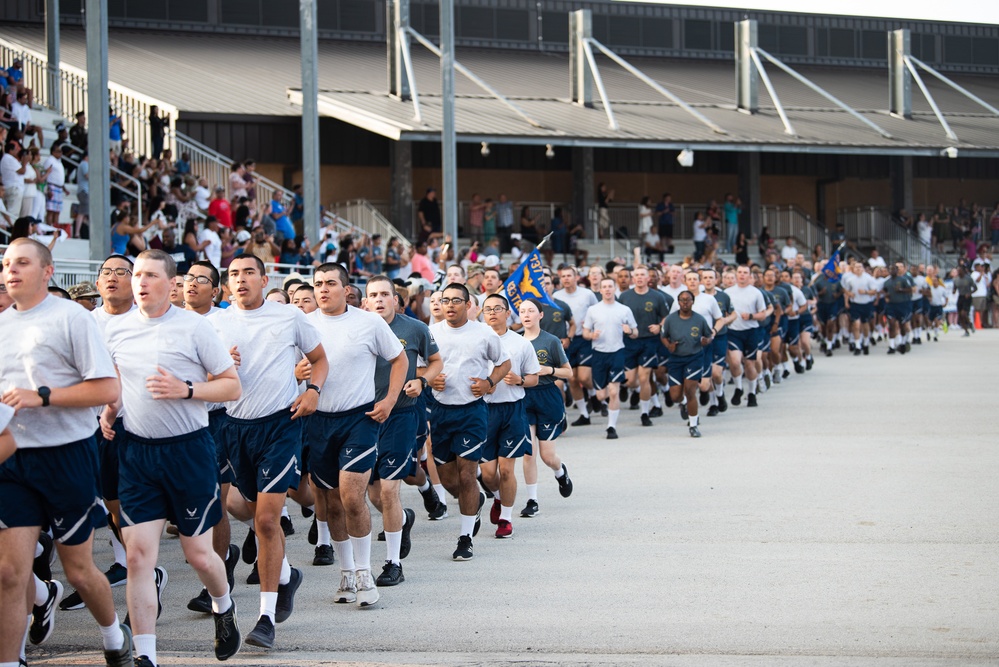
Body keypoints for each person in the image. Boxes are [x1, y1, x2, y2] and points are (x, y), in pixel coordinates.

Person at [102, 250, 242, 666]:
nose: (140, 282)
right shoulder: (116, 329)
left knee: (198, 554)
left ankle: (223, 604)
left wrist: (186, 390)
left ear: (172, 283)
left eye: (149, 276)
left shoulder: (195, 328)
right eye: (136, 275)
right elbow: (117, 381)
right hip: (137, 453)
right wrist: (110, 413)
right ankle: (146, 655)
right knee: (137, 556)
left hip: (189, 450)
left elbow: (231, 387)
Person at [0, 238, 133, 667]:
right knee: (8, 572)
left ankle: (114, 637)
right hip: (13, 458)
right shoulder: (1, 326)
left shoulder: (72, 317)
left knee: (78, 570)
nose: (11, 271)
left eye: (22, 262)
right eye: (6, 264)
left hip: (67, 455)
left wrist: (42, 397)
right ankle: (10, 659)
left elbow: (107, 389)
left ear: (47, 270)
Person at [208, 254, 329, 649]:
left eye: (248, 273)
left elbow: (319, 360)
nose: (240, 280)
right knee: (238, 507)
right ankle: (287, 573)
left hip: (280, 425)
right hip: (232, 427)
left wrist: (313, 391)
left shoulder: (288, 316)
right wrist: (212, 372)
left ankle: (264, 617)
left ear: (263, 279)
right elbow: (196, 375)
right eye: (233, 275)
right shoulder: (215, 322)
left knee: (265, 520)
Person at [298, 264, 406, 607]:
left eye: (331, 283)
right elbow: (290, 368)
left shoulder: (368, 322)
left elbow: (400, 360)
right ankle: (346, 573)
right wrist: (297, 371)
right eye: (318, 284)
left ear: (347, 289)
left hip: (359, 419)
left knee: (351, 496)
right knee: (328, 502)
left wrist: (389, 400)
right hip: (317, 420)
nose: (323, 289)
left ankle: (364, 571)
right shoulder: (303, 324)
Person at [364, 276, 443, 584]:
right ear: (366, 301)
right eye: (374, 295)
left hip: (400, 415)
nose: (380, 299)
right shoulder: (357, 326)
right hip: (363, 418)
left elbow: (436, 361)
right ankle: (403, 519)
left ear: (396, 300)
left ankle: (393, 563)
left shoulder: (414, 329)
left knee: (388, 488)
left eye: (386, 294)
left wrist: (422, 380)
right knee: (372, 494)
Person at [428, 283, 510, 560]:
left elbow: (504, 363)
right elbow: (416, 365)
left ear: (467, 305)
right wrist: (429, 377)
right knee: (449, 480)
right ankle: (475, 502)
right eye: (445, 300)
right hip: (440, 412)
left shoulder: (483, 333)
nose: (449, 305)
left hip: (472, 411)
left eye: (456, 300)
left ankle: (465, 538)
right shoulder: (431, 332)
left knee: (466, 474)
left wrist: (489, 382)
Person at [480, 293, 540, 539]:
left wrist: (520, 380)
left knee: (506, 470)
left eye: (497, 308)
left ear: (507, 313)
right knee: (487, 473)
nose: (492, 312)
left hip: (512, 410)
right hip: (483, 410)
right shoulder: (477, 340)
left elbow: (534, 378)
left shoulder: (521, 343)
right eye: (488, 309)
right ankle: (497, 497)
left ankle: (505, 517)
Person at [517, 298, 573, 518]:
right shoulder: (515, 341)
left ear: (540, 315)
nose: (527, 314)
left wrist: (548, 370)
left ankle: (560, 471)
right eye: (522, 311)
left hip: (547, 396)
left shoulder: (550, 341)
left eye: (531, 310)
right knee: (528, 454)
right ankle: (532, 500)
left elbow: (568, 372)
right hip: (523, 397)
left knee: (547, 456)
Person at [583, 277, 639, 440]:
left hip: (617, 352)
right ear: (600, 290)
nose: (607, 289)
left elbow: (636, 333)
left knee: (614, 391)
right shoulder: (593, 310)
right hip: (599, 353)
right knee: (601, 395)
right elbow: (585, 332)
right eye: (604, 287)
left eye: (610, 286)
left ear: (615, 289)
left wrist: (629, 331)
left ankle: (611, 427)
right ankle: (603, 403)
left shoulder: (624, 309)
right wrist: (590, 335)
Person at [618, 265, 671, 427]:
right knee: (631, 381)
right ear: (633, 278)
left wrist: (659, 326)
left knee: (644, 377)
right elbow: (617, 316)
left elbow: (666, 317)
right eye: (637, 275)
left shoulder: (657, 297)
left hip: (649, 342)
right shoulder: (624, 296)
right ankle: (635, 392)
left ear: (648, 278)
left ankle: (645, 413)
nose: (640, 278)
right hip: (630, 342)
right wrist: (623, 327)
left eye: (643, 275)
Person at [661, 290, 714, 438]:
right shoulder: (671, 319)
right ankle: (683, 402)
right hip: (676, 360)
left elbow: (709, 336)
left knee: (690, 391)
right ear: (678, 302)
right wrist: (669, 346)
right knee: (675, 396)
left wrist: (706, 341)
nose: (685, 303)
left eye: (688, 300)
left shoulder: (699, 319)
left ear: (693, 301)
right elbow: (663, 336)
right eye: (682, 300)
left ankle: (693, 425)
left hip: (694, 358)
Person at [554, 266, 598, 426]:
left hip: (584, 338)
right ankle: (584, 414)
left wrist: (591, 324)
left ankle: (593, 394)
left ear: (576, 277)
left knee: (584, 377)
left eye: (569, 275)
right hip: (566, 341)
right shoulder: (556, 296)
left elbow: (596, 311)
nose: (566, 279)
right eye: (563, 276)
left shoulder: (587, 294)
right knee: (572, 379)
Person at [724, 265, 771, 408]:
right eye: (740, 272)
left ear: (750, 275)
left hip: (751, 331)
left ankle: (752, 393)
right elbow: (723, 312)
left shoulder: (756, 293)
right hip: (734, 331)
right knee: (735, 362)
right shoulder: (728, 292)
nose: (742, 275)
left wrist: (751, 316)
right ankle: (738, 388)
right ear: (736, 274)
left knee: (750, 364)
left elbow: (763, 314)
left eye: (745, 273)